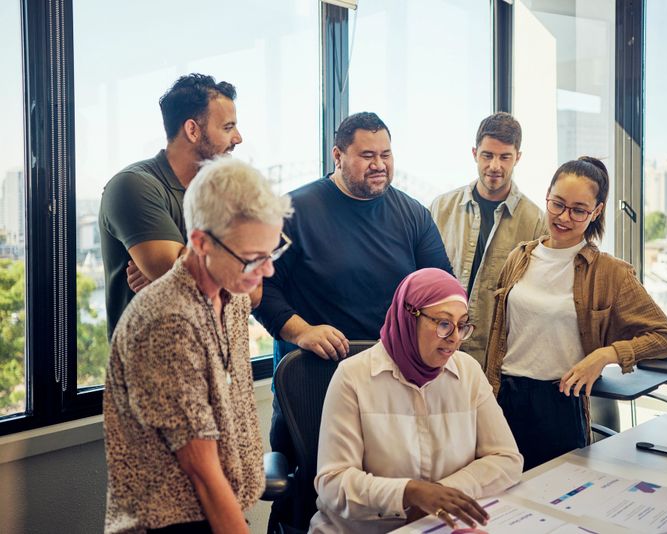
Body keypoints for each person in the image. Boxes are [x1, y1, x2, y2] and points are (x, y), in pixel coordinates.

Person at [252, 111, 453, 532]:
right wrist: (300, 331)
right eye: (366, 155)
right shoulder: (292, 212)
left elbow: (442, 290)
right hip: (314, 380)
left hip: (391, 382)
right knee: (312, 499)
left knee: (383, 494)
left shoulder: (413, 214)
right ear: (338, 155)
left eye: (386, 154)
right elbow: (258, 288)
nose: (379, 164)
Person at [103, 158, 292, 533]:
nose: (266, 271)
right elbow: (201, 472)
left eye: (272, 253)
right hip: (172, 522)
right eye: (252, 259)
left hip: (219, 510)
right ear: (201, 242)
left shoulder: (232, 296)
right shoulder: (166, 323)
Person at [485, 156, 667, 471]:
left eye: (578, 210)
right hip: (504, 399)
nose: (564, 217)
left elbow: (666, 338)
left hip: (560, 403)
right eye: (557, 204)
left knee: (558, 504)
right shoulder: (518, 257)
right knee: (501, 501)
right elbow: (499, 337)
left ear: (596, 212)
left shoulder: (609, 272)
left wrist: (605, 355)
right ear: (546, 197)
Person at [310, 268, 523, 534]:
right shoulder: (353, 376)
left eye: (462, 325)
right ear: (408, 318)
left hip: (438, 526)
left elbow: (507, 459)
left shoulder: (467, 370)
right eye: (444, 323)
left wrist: (441, 494)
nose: (455, 338)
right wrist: (407, 494)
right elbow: (333, 484)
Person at [99, 73, 242, 339]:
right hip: (151, 367)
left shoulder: (220, 194)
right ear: (192, 130)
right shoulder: (132, 186)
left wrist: (178, 272)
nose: (238, 138)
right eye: (227, 127)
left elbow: (255, 291)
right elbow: (191, 279)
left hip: (211, 362)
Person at [430, 112, 545, 363]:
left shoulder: (536, 221)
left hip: (497, 357)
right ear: (474, 154)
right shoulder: (441, 208)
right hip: (438, 346)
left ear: (518, 158)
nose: (495, 166)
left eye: (505, 157)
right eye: (487, 155)